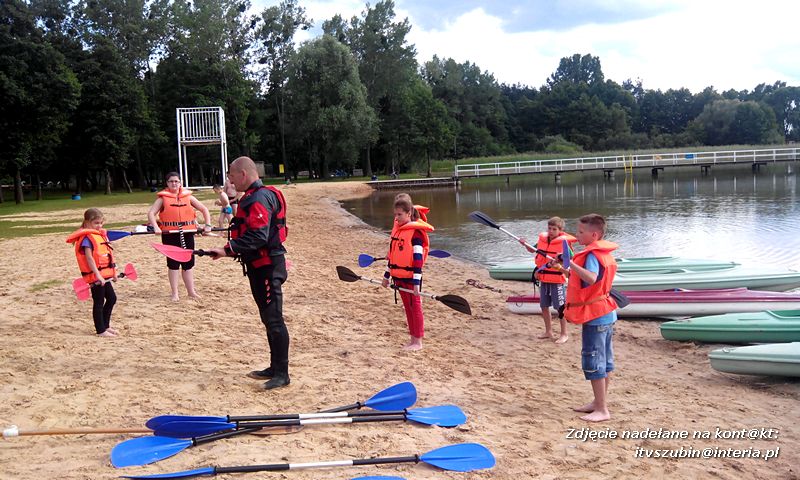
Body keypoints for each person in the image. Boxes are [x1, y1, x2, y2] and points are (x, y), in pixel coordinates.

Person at [207, 157, 291, 390]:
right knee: (268, 319)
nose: (230, 181)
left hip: (268, 267)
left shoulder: (259, 198)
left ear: (243, 174)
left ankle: (282, 374)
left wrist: (227, 249)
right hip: (260, 266)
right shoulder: (255, 196)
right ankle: (274, 367)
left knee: (274, 319)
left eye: (232, 176)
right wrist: (226, 251)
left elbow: (258, 237)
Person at [553, 214, 619, 422]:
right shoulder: (600, 253)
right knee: (604, 362)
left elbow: (591, 278)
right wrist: (563, 268)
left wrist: (571, 263)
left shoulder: (591, 255)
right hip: (606, 313)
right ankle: (598, 403)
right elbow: (585, 278)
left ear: (594, 235)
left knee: (594, 362)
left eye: (581, 232)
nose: (577, 234)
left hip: (596, 316)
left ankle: (602, 410)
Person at [147, 172, 212, 301]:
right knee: (173, 264)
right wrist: (155, 227)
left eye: (176, 181)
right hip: (170, 234)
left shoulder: (188, 197)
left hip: (187, 233)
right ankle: (175, 293)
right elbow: (151, 213)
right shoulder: (162, 199)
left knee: (188, 263)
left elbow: (204, 209)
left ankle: (191, 291)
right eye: (171, 181)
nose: (174, 184)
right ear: (167, 183)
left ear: (180, 182)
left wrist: (208, 225)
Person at [381, 194, 434, 350]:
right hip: (398, 277)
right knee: (408, 310)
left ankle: (418, 342)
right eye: (395, 215)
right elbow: (393, 257)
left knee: (415, 308)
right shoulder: (399, 231)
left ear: (409, 213)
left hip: (411, 278)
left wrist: (417, 283)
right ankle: (412, 340)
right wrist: (386, 276)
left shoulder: (415, 234)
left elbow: (417, 261)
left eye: (400, 214)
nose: (396, 218)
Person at [519, 217, 576, 344]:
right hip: (544, 278)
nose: (551, 231)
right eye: (549, 228)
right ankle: (548, 331)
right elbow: (533, 249)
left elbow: (571, 258)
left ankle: (564, 334)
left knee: (560, 308)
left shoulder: (564, 243)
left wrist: (560, 259)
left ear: (560, 230)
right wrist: (524, 244)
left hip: (557, 280)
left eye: (554, 229)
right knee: (544, 306)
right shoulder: (543, 240)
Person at [66, 208, 119, 337]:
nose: (99, 226)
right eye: (96, 223)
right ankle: (100, 330)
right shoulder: (87, 239)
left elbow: (107, 255)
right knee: (99, 301)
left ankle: (106, 326)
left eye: (101, 223)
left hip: (104, 275)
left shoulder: (100, 236)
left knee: (112, 298)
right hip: (95, 276)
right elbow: (89, 258)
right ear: (87, 222)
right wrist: (98, 275)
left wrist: (113, 273)